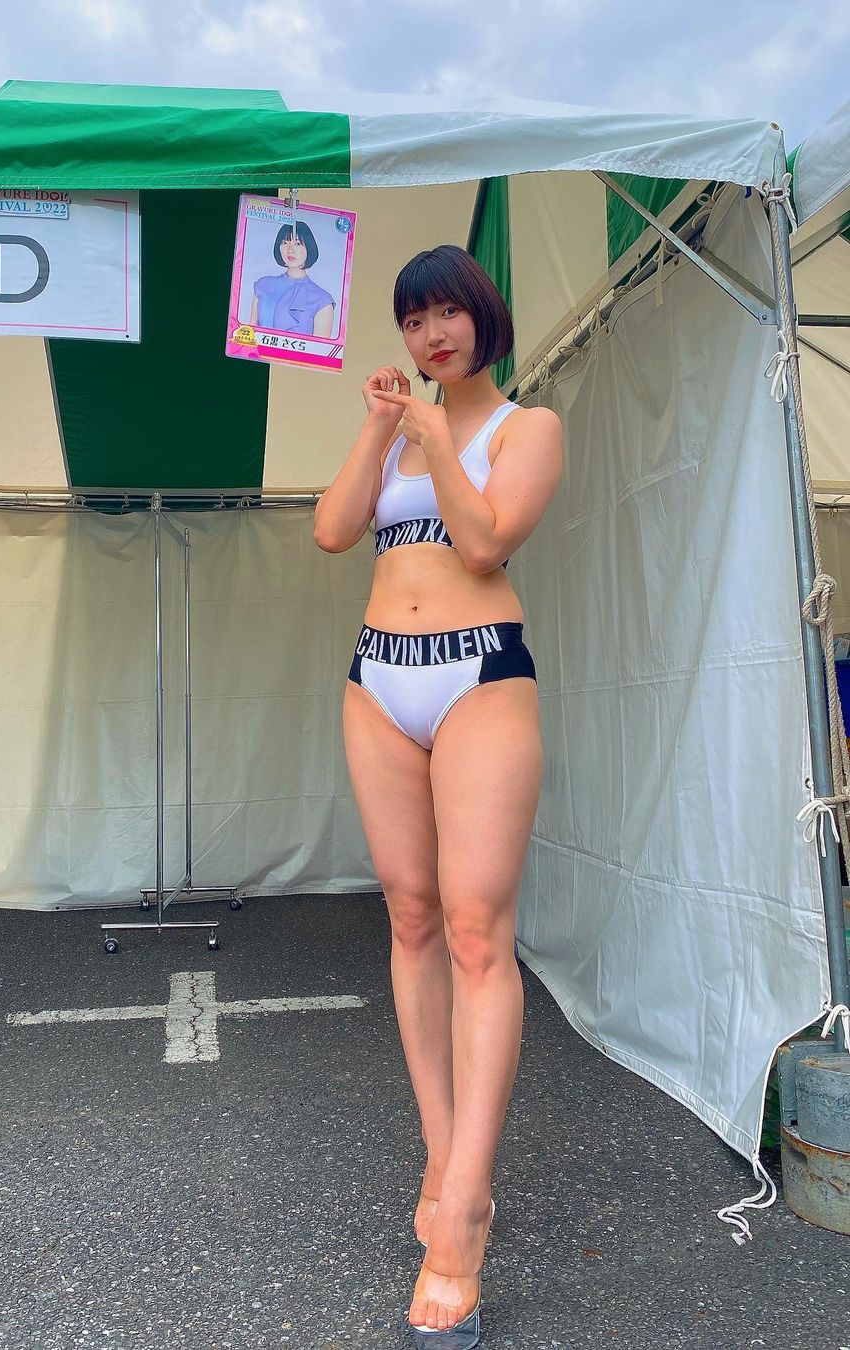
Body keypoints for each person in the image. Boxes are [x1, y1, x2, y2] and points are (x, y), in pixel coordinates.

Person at [313, 244, 563, 1347]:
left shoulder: (526, 427)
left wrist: (433, 435)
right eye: (414, 319)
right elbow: (333, 530)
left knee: (473, 929)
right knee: (411, 917)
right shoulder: (399, 426)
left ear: (482, 318)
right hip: (379, 680)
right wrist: (382, 430)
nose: (431, 334)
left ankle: (464, 1205)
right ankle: (441, 1149)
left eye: (447, 312)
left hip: (481, 676)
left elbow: (482, 540)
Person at [249, 220, 335, 337]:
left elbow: (319, 347)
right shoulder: (263, 285)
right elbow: (250, 332)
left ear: (309, 248)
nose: (290, 250)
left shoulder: (322, 300)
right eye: (285, 242)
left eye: (298, 243)